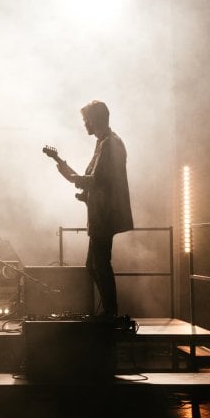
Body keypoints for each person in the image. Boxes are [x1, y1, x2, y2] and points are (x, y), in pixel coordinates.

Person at [57, 100, 133, 317]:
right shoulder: (104, 142)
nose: (84, 124)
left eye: (85, 120)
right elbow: (98, 181)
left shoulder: (110, 144)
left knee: (99, 264)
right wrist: (64, 168)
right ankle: (109, 312)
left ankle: (111, 313)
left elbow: (96, 180)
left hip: (105, 215)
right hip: (101, 213)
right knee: (94, 265)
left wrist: (67, 173)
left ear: (95, 120)